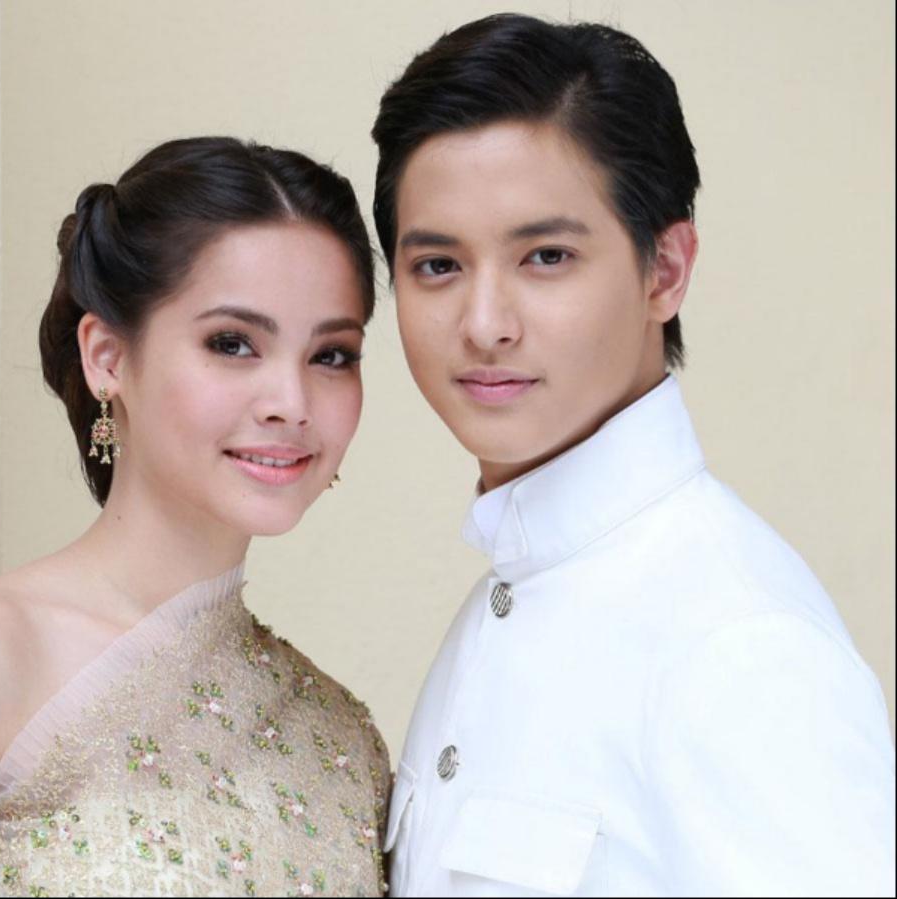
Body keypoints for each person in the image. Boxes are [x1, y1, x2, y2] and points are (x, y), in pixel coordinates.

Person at [0, 137, 390, 897]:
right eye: (232, 344)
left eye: (332, 355)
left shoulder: (340, 737)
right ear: (107, 358)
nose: (291, 402)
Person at [370, 13, 895, 897]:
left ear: (666, 269)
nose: (485, 324)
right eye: (438, 266)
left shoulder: (739, 644)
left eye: (546, 255)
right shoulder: (503, 601)